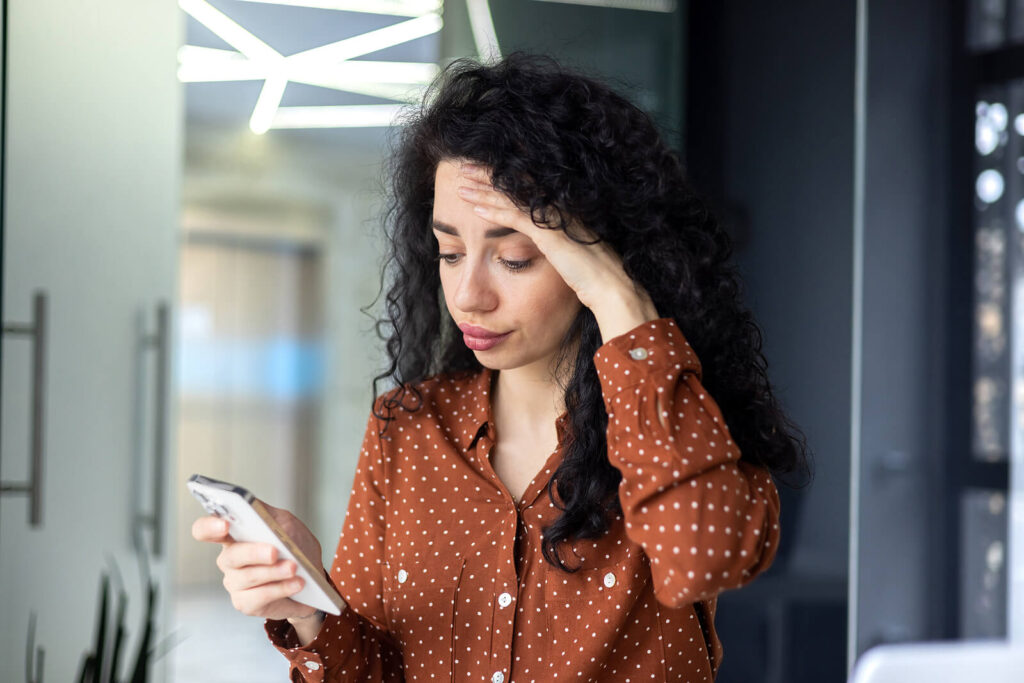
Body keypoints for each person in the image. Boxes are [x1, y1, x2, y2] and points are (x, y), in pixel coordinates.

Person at [192, 51, 809, 682]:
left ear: (596, 256)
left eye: (515, 258)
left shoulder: (679, 425)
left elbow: (703, 559)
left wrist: (618, 295)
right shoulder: (408, 429)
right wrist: (310, 609)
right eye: (450, 252)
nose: (468, 296)